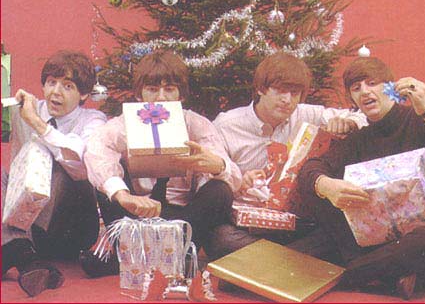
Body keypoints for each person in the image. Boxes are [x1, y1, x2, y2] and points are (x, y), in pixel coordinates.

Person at [79, 50, 242, 278]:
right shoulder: (124, 123)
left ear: (180, 94)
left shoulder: (196, 124)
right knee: (105, 181)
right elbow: (97, 150)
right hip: (137, 211)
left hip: (183, 219)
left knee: (220, 189)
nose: (161, 98)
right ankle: (139, 257)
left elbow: (234, 177)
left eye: (169, 89)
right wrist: (123, 196)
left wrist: (217, 165)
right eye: (153, 89)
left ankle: (158, 259)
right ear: (139, 94)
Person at [294, 56, 425, 299]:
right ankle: (389, 275)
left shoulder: (420, 121)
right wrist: (327, 186)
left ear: (391, 87)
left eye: (372, 83)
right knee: (316, 207)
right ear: (352, 99)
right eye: (356, 87)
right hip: (371, 244)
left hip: (423, 237)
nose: (365, 91)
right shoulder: (357, 139)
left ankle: (346, 275)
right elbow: (311, 169)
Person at [204, 52, 368, 260]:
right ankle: (292, 262)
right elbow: (209, 180)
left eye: (294, 93)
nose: (287, 100)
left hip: (294, 221)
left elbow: (361, 116)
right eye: (280, 91)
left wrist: (349, 122)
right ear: (260, 89)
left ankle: (259, 264)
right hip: (245, 223)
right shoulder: (227, 125)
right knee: (221, 241)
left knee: (334, 233)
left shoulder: (306, 114)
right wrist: (238, 182)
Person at [1, 50, 107, 297]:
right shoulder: (24, 108)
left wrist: (37, 124)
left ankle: (15, 252)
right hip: (26, 226)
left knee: (60, 162)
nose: (55, 92)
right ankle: (26, 257)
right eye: (51, 82)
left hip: (70, 227)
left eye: (67, 86)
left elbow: (81, 164)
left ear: (83, 94)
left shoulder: (94, 120)